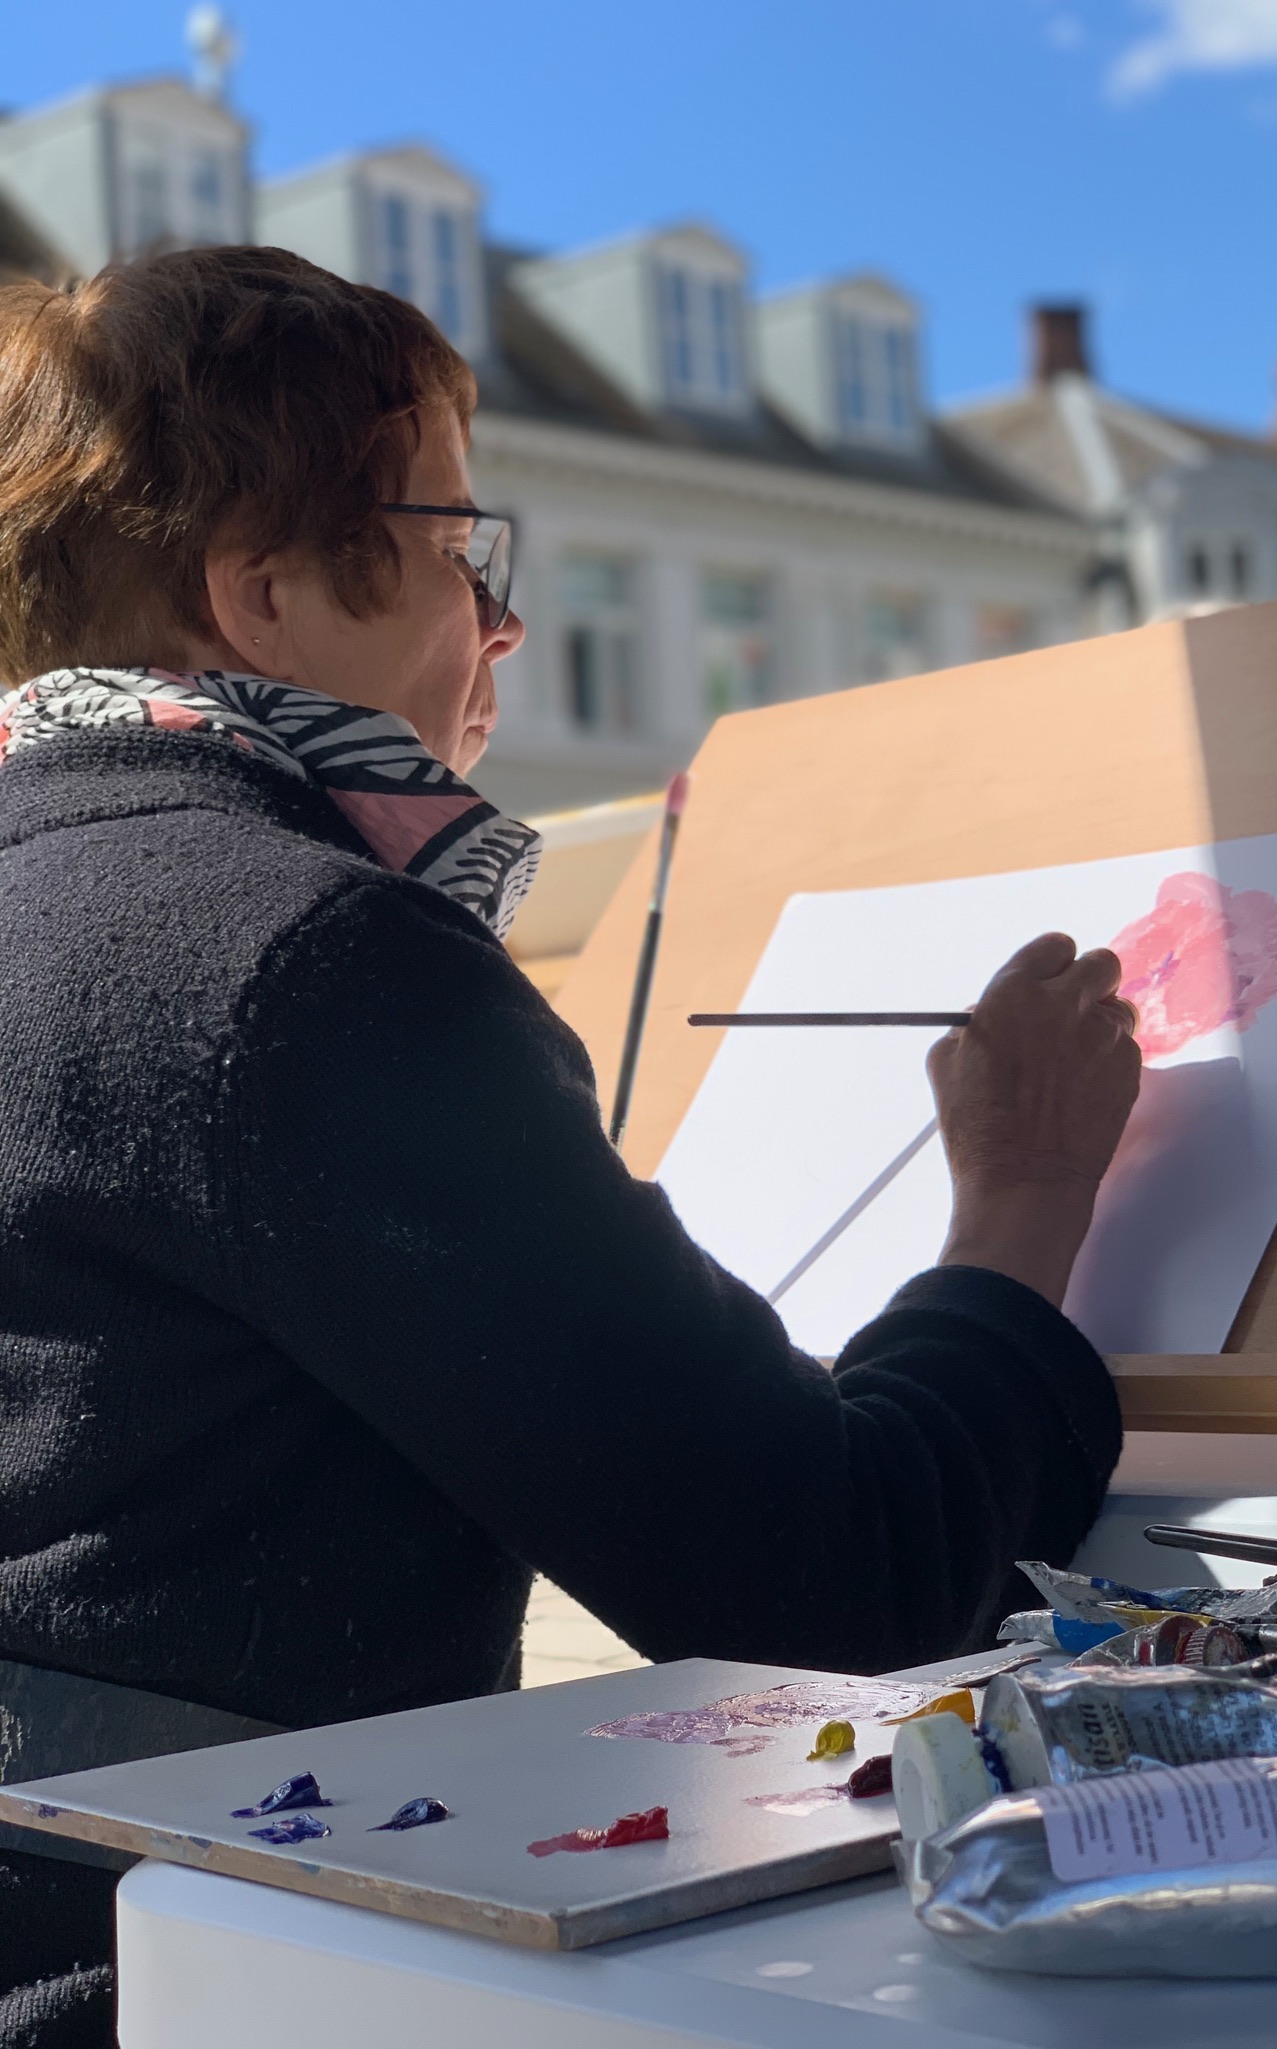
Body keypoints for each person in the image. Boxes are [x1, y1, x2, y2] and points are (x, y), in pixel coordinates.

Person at [0, 246, 1141, 2044]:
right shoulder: (307, 955)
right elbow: (843, 1584)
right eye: (462, 550)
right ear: (263, 589)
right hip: (187, 1981)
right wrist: (1022, 1198)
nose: (503, 625)